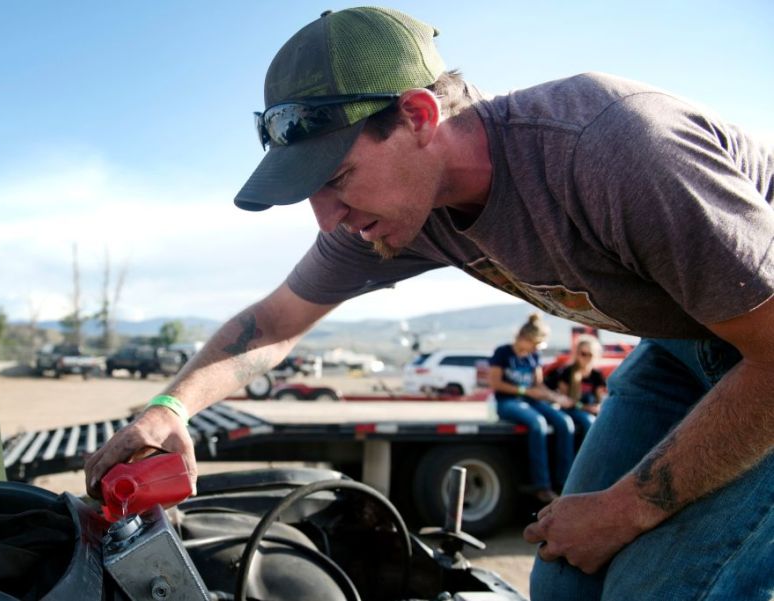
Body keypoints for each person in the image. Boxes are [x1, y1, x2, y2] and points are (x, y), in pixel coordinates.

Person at [83, 6, 774, 600]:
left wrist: (624, 510)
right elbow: (273, 320)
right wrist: (170, 407)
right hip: (690, 344)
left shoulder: (611, 149)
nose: (329, 219)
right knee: (563, 579)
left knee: (656, 585)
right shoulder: (404, 207)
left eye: (339, 177)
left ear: (417, 114)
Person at [489, 314, 574, 503]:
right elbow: (495, 383)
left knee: (564, 422)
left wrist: (555, 396)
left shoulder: (533, 356)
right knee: (537, 423)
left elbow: (539, 386)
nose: (535, 349)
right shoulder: (503, 352)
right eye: (535, 344)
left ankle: (566, 481)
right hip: (508, 402)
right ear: (524, 338)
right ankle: (541, 485)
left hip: (531, 400)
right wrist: (524, 390)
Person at [544, 335, 607, 443]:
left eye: (590, 354)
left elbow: (599, 398)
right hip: (571, 410)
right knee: (588, 421)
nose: (586, 357)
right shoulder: (567, 372)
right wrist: (585, 408)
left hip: (589, 410)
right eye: (583, 354)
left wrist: (597, 407)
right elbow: (566, 401)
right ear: (577, 354)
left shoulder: (597, 375)